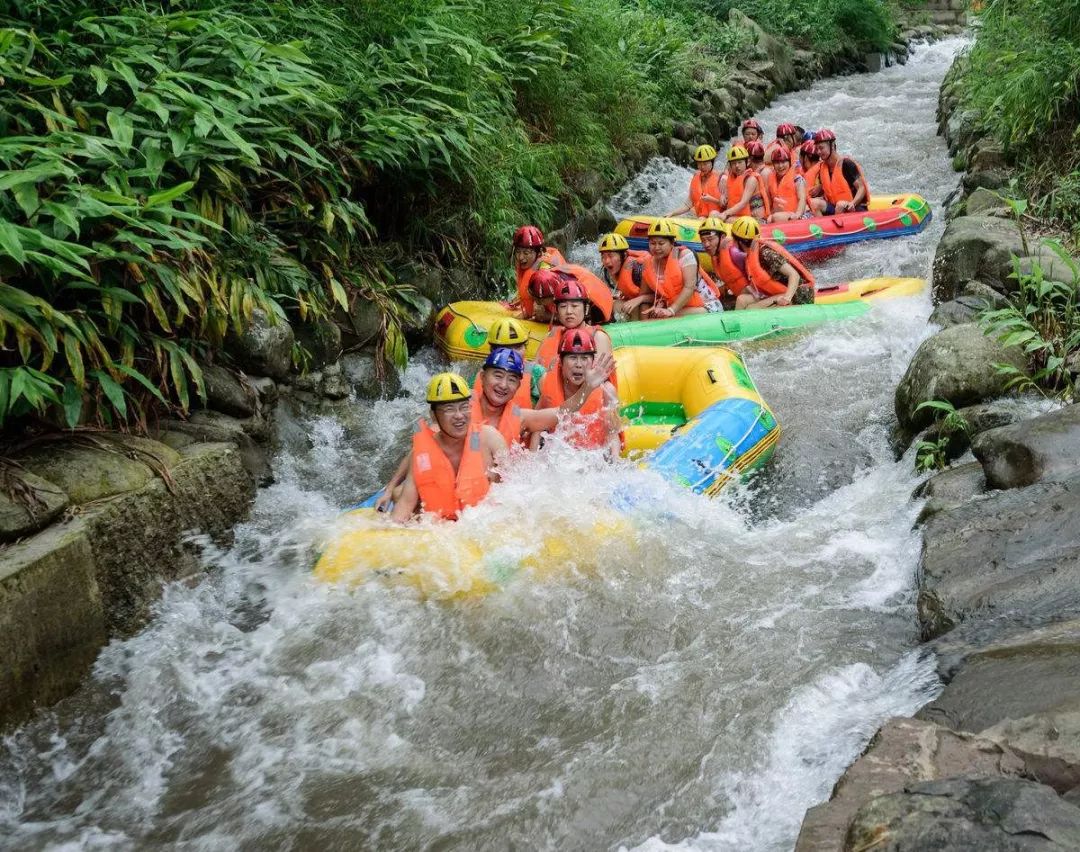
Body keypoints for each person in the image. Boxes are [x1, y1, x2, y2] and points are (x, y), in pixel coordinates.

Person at [390, 372, 507, 522]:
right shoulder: (422, 455)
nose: (459, 415)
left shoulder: (491, 439)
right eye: (449, 409)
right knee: (398, 494)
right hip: (443, 530)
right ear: (433, 415)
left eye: (464, 407)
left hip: (485, 524)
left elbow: (514, 492)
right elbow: (405, 505)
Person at [537, 327, 622, 458]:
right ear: (561, 362)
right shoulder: (547, 383)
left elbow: (613, 434)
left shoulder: (607, 391)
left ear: (593, 362)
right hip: (557, 458)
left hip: (593, 458)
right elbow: (537, 426)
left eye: (584, 358)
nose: (579, 364)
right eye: (572, 357)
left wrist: (614, 463)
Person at [729, 216, 816, 310]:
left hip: (798, 295)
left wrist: (787, 298)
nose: (732, 243)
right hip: (779, 293)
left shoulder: (766, 253)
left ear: (740, 242)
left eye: (734, 240)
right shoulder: (751, 254)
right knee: (742, 300)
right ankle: (736, 324)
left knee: (752, 308)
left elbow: (794, 275)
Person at [641, 219, 723, 318]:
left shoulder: (685, 255)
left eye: (661, 243)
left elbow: (689, 287)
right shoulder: (648, 262)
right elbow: (656, 294)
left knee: (664, 318)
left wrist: (671, 310)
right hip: (679, 309)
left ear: (672, 243)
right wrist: (639, 300)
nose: (657, 247)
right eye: (653, 243)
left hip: (707, 307)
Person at [534, 277, 615, 373]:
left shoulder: (598, 337)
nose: (568, 311)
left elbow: (601, 377)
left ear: (586, 308)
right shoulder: (551, 334)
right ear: (557, 310)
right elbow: (535, 369)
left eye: (574, 306)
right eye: (563, 306)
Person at [484, 317, 545, 404]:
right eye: (505, 348)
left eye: (518, 347)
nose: (512, 353)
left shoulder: (537, 372)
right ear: (493, 351)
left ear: (525, 347)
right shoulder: (482, 374)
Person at [513, 225, 566, 319]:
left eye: (526, 253)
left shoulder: (546, 274)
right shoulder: (534, 262)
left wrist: (547, 316)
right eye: (518, 252)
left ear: (539, 252)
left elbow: (570, 312)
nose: (520, 257)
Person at [813, 129, 870, 214]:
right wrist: (820, 188)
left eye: (821, 148)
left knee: (840, 205)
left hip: (855, 208)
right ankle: (823, 226)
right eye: (817, 149)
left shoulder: (846, 164)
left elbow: (861, 188)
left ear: (832, 146)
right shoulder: (822, 167)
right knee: (814, 203)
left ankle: (834, 226)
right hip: (836, 207)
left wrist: (852, 203)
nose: (818, 152)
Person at [597, 232, 653, 320]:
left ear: (624, 255)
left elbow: (660, 296)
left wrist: (640, 299)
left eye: (611, 256)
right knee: (609, 304)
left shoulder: (637, 269)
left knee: (622, 307)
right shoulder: (614, 269)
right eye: (603, 257)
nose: (606, 261)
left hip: (652, 309)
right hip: (639, 305)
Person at [698, 216, 747, 304]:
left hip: (752, 299)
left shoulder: (735, 253)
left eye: (710, 239)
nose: (706, 244)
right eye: (703, 240)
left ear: (723, 237)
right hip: (740, 296)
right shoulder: (716, 257)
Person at [667, 145, 723, 218]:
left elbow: (726, 205)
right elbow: (688, 204)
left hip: (717, 218)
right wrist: (673, 213)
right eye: (699, 164)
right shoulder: (696, 177)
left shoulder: (721, 179)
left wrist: (712, 199)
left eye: (705, 164)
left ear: (712, 162)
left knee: (711, 215)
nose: (702, 167)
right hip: (701, 218)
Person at [718, 146, 770, 222]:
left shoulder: (751, 179)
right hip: (740, 217)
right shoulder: (732, 178)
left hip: (758, 220)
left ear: (747, 162)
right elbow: (727, 201)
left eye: (740, 162)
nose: (737, 166)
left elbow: (743, 203)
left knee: (727, 220)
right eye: (733, 163)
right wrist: (722, 197)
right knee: (714, 214)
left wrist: (725, 213)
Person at [766, 147, 812, 222]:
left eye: (783, 162)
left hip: (801, 214)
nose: (780, 166)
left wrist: (797, 215)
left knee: (776, 217)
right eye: (777, 163)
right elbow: (770, 202)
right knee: (770, 219)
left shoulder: (797, 179)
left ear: (789, 162)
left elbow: (802, 199)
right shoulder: (771, 178)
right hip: (783, 214)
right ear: (773, 164)